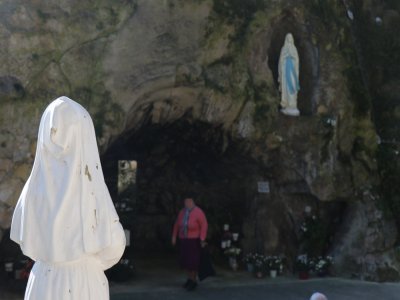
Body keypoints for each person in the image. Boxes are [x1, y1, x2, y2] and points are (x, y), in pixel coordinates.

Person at [10, 96, 126, 300]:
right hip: (84, 283)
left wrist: (54, 255)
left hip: (43, 282)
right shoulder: (90, 188)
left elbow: (25, 240)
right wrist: (85, 262)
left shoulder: (33, 189)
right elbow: (114, 245)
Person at [172, 196, 208, 291]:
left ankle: (194, 280)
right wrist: (174, 237)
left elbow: (204, 225)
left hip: (194, 240)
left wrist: (202, 239)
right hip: (184, 239)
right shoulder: (182, 212)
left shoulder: (198, 212)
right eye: (186, 202)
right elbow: (177, 224)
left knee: (193, 262)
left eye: (189, 201)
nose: (187, 203)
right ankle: (189, 279)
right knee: (186, 261)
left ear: (193, 202)